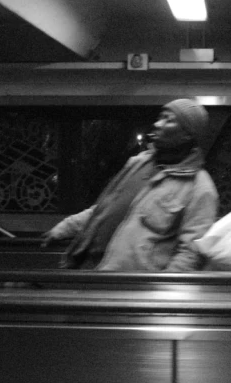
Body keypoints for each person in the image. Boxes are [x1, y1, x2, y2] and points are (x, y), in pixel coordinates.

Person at [42, 98, 218, 271]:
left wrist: (162, 291)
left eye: (169, 120)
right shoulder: (139, 162)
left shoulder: (200, 188)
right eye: (160, 117)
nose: (157, 124)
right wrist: (64, 228)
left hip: (131, 285)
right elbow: (104, 209)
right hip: (88, 268)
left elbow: (191, 252)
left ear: (187, 134)